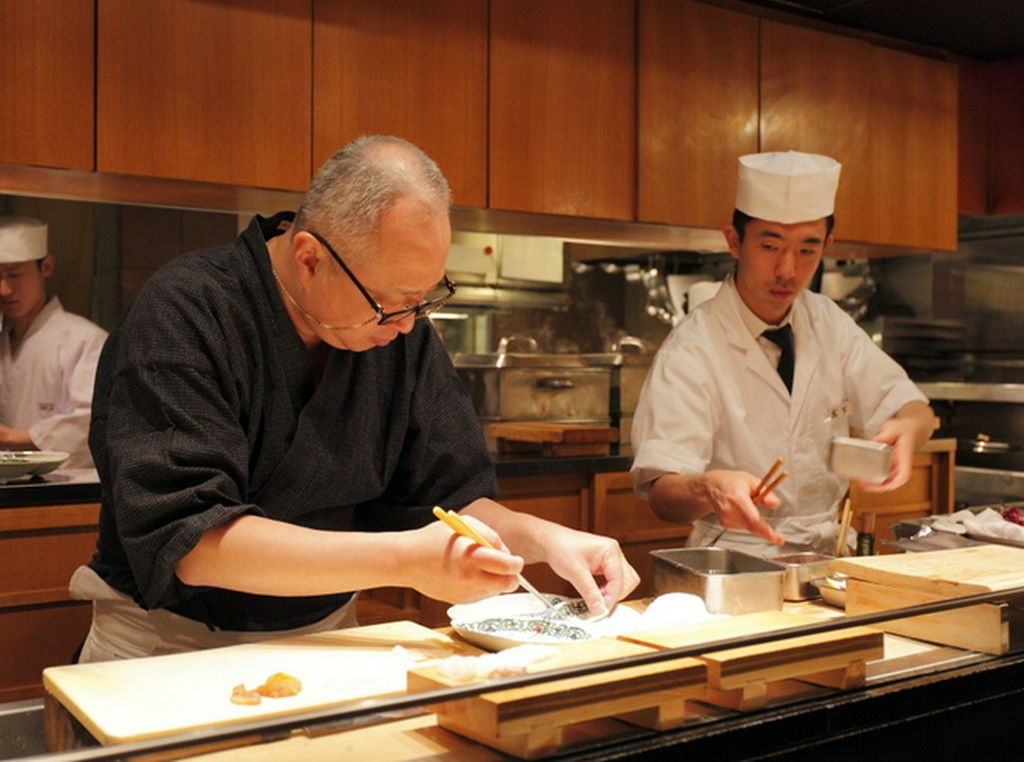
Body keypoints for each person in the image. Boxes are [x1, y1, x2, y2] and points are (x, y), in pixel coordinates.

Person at [73, 135, 639, 662]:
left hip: (332, 637)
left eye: (425, 299)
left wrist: (546, 538)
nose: (408, 323)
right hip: (166, 645)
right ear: (309, 258)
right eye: (393, 302)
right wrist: (407, 560)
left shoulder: (399, 333)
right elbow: (194, 542)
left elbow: (453, 500)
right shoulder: (185, 311)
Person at [629, 151, 935, 556]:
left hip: (827, 555)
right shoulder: (693, 348)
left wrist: (910, 430)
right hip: (736, 557)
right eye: (770, 245)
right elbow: (663, 495)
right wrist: (709, 487)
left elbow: (914, 410)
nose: (787, 270)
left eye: (807, 250)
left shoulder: (828, 321)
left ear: (827, 244)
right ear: (735, 241)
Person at [0, 216, 107, 470]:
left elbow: (91, 424)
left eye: (14, 274)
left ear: (46, 266)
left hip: (65, 491)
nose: (4, 289)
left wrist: (8, 437)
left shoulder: (85, 339)